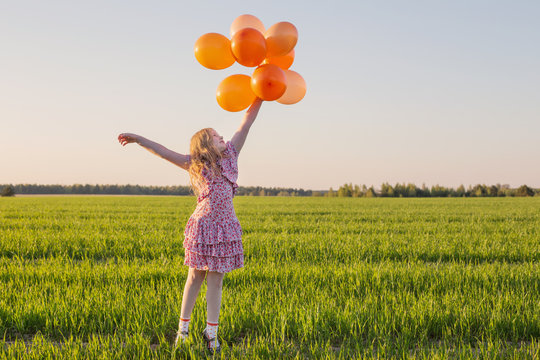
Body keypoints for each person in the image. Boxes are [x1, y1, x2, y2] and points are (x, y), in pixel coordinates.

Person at [117, 98, 263, 354]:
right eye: (216, 136)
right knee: (195, 276)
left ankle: (211, 333)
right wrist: (138, 139)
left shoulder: (231, 155)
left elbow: (246, 122)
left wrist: (260, 94)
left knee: (216, 282)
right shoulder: (194, 164)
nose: (222, 137)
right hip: (202, 227)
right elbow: (162, 151)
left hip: (225, 228)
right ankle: (182, 332)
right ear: (205, 144)